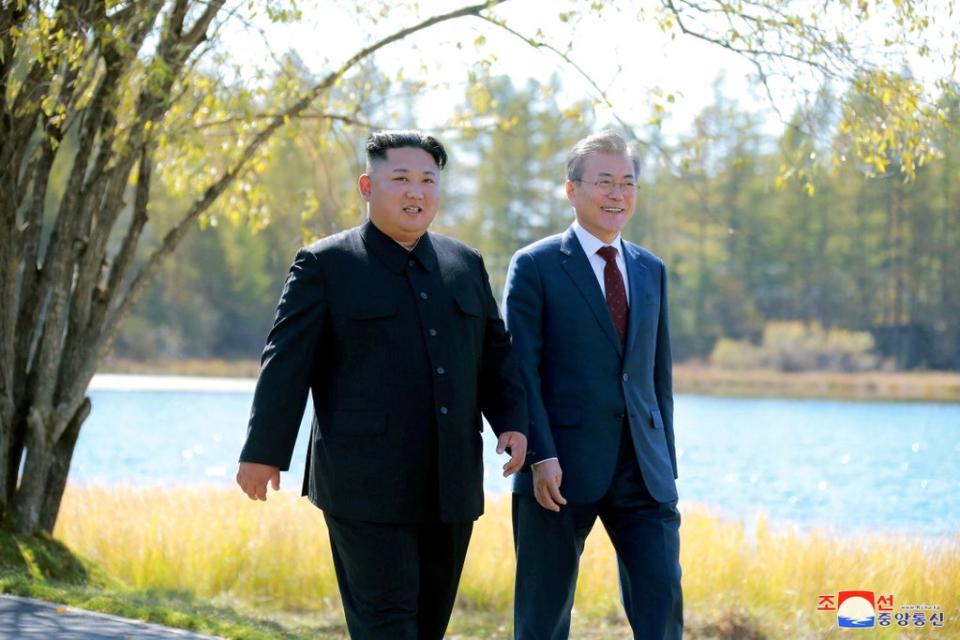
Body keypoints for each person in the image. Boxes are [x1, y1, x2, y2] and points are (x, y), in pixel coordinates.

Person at [236, 130, 528, 640]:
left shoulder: (466, 264)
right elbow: (285, 364)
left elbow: (496, 357)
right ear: (368, 185)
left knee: (427, 626)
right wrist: (264, 452)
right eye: (401, 179)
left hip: (451, 484)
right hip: (363, 487)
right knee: (387, 626)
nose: (416, 192)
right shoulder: (325, 264)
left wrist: (512, 423)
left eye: (427, 180)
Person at [503, 130, 682, 639]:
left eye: (627, 183)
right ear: (571, 189)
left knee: (662, 602)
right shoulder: (535, 265)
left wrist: (665, 460)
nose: (617, 194)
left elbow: (656, 376)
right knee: (543, 615)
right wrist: (540, 455)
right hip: (557, 471)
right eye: (604, 181)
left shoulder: (651, 269)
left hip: (644, 471)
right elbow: (521, 371)